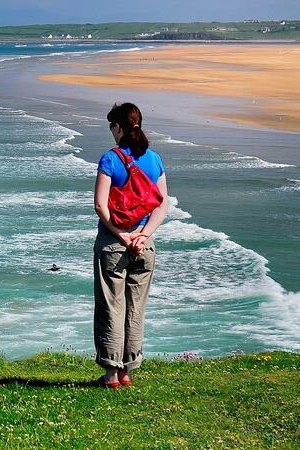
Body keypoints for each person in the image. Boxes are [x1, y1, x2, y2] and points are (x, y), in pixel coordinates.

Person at [93, 102, 169, 389]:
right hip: (145, 244)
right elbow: (162, 205)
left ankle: (111, 375)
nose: (111, 131)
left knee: (111, 306)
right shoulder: (155, 159)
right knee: (136, 308)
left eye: (112, 125)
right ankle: (127, 372)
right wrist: (143, 235)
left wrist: (122, 235)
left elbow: (101, 206)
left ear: (119, 128)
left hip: (114, 244)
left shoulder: (110, 159)